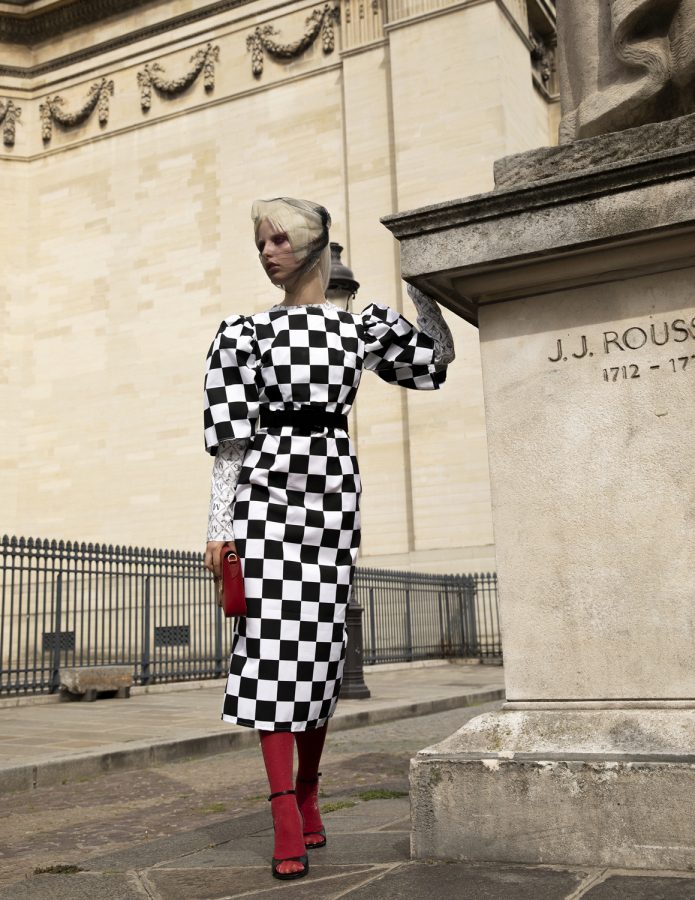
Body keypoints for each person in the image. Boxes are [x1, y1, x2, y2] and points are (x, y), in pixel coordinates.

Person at [203, 197, 454, 881]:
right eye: (261, 241)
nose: (267, 251)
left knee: (318, 653)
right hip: (264, 498)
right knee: (271, 649)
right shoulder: (243, 332)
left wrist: (422, 286)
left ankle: (310, 788)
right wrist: (219, 527)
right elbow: (230, 443)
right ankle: (283, 806)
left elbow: (433, 365)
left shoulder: (360, 327)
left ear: (314, 245)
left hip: (332, 499)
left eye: (279, 239)